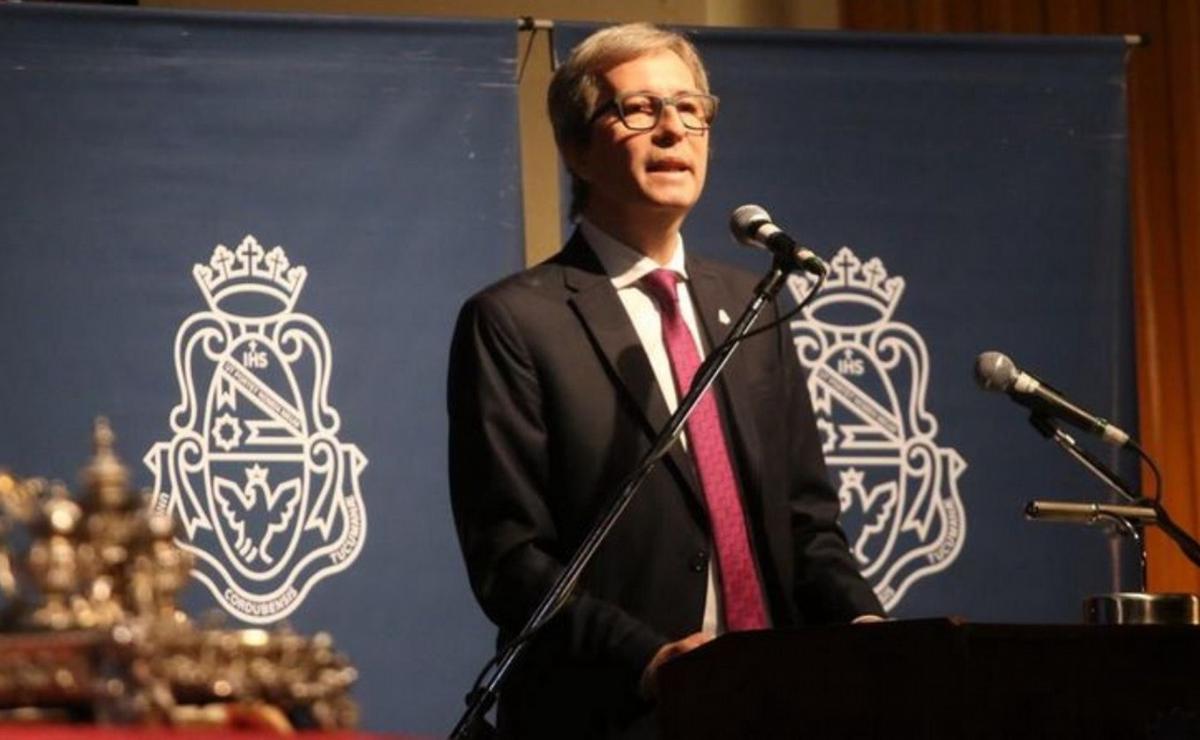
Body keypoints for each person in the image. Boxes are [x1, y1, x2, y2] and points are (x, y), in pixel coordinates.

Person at [447, 22, 884, 740]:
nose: (674, 130)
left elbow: (806, 525)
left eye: (691, 109)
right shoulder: (516, 321)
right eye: (640, 110)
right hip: (609, 713)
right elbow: (511, 557)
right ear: (575, 147)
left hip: (772, 706)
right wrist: (651, 659)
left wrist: (865, 623)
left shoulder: (752, 302)